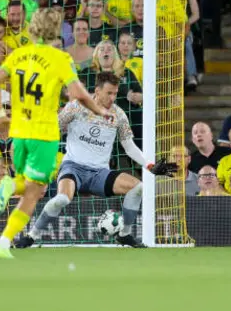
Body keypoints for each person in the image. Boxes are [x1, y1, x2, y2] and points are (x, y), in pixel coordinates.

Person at [0, 8, 111, 259]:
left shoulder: (18, 54)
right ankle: (9, 190)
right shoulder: (60, 59)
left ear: (33, 27)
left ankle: (2, 243)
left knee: (32, 189)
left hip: (19, 133)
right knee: (35, 192)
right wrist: (100, 110)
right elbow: (78, 94)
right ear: (56, 29)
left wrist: (0, 115)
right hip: (43, 135)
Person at [15, 72, 177, 249]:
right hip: (73, 168)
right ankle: (32, 236)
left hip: (100, 173)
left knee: (138, 187)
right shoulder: (76, 107)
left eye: (115, 93)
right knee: (62, 198)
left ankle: (125, 234)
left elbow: (129, 147)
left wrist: (149, 165)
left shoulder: (119, 115)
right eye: (109, 93)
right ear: (97, 91)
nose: (113, 97)